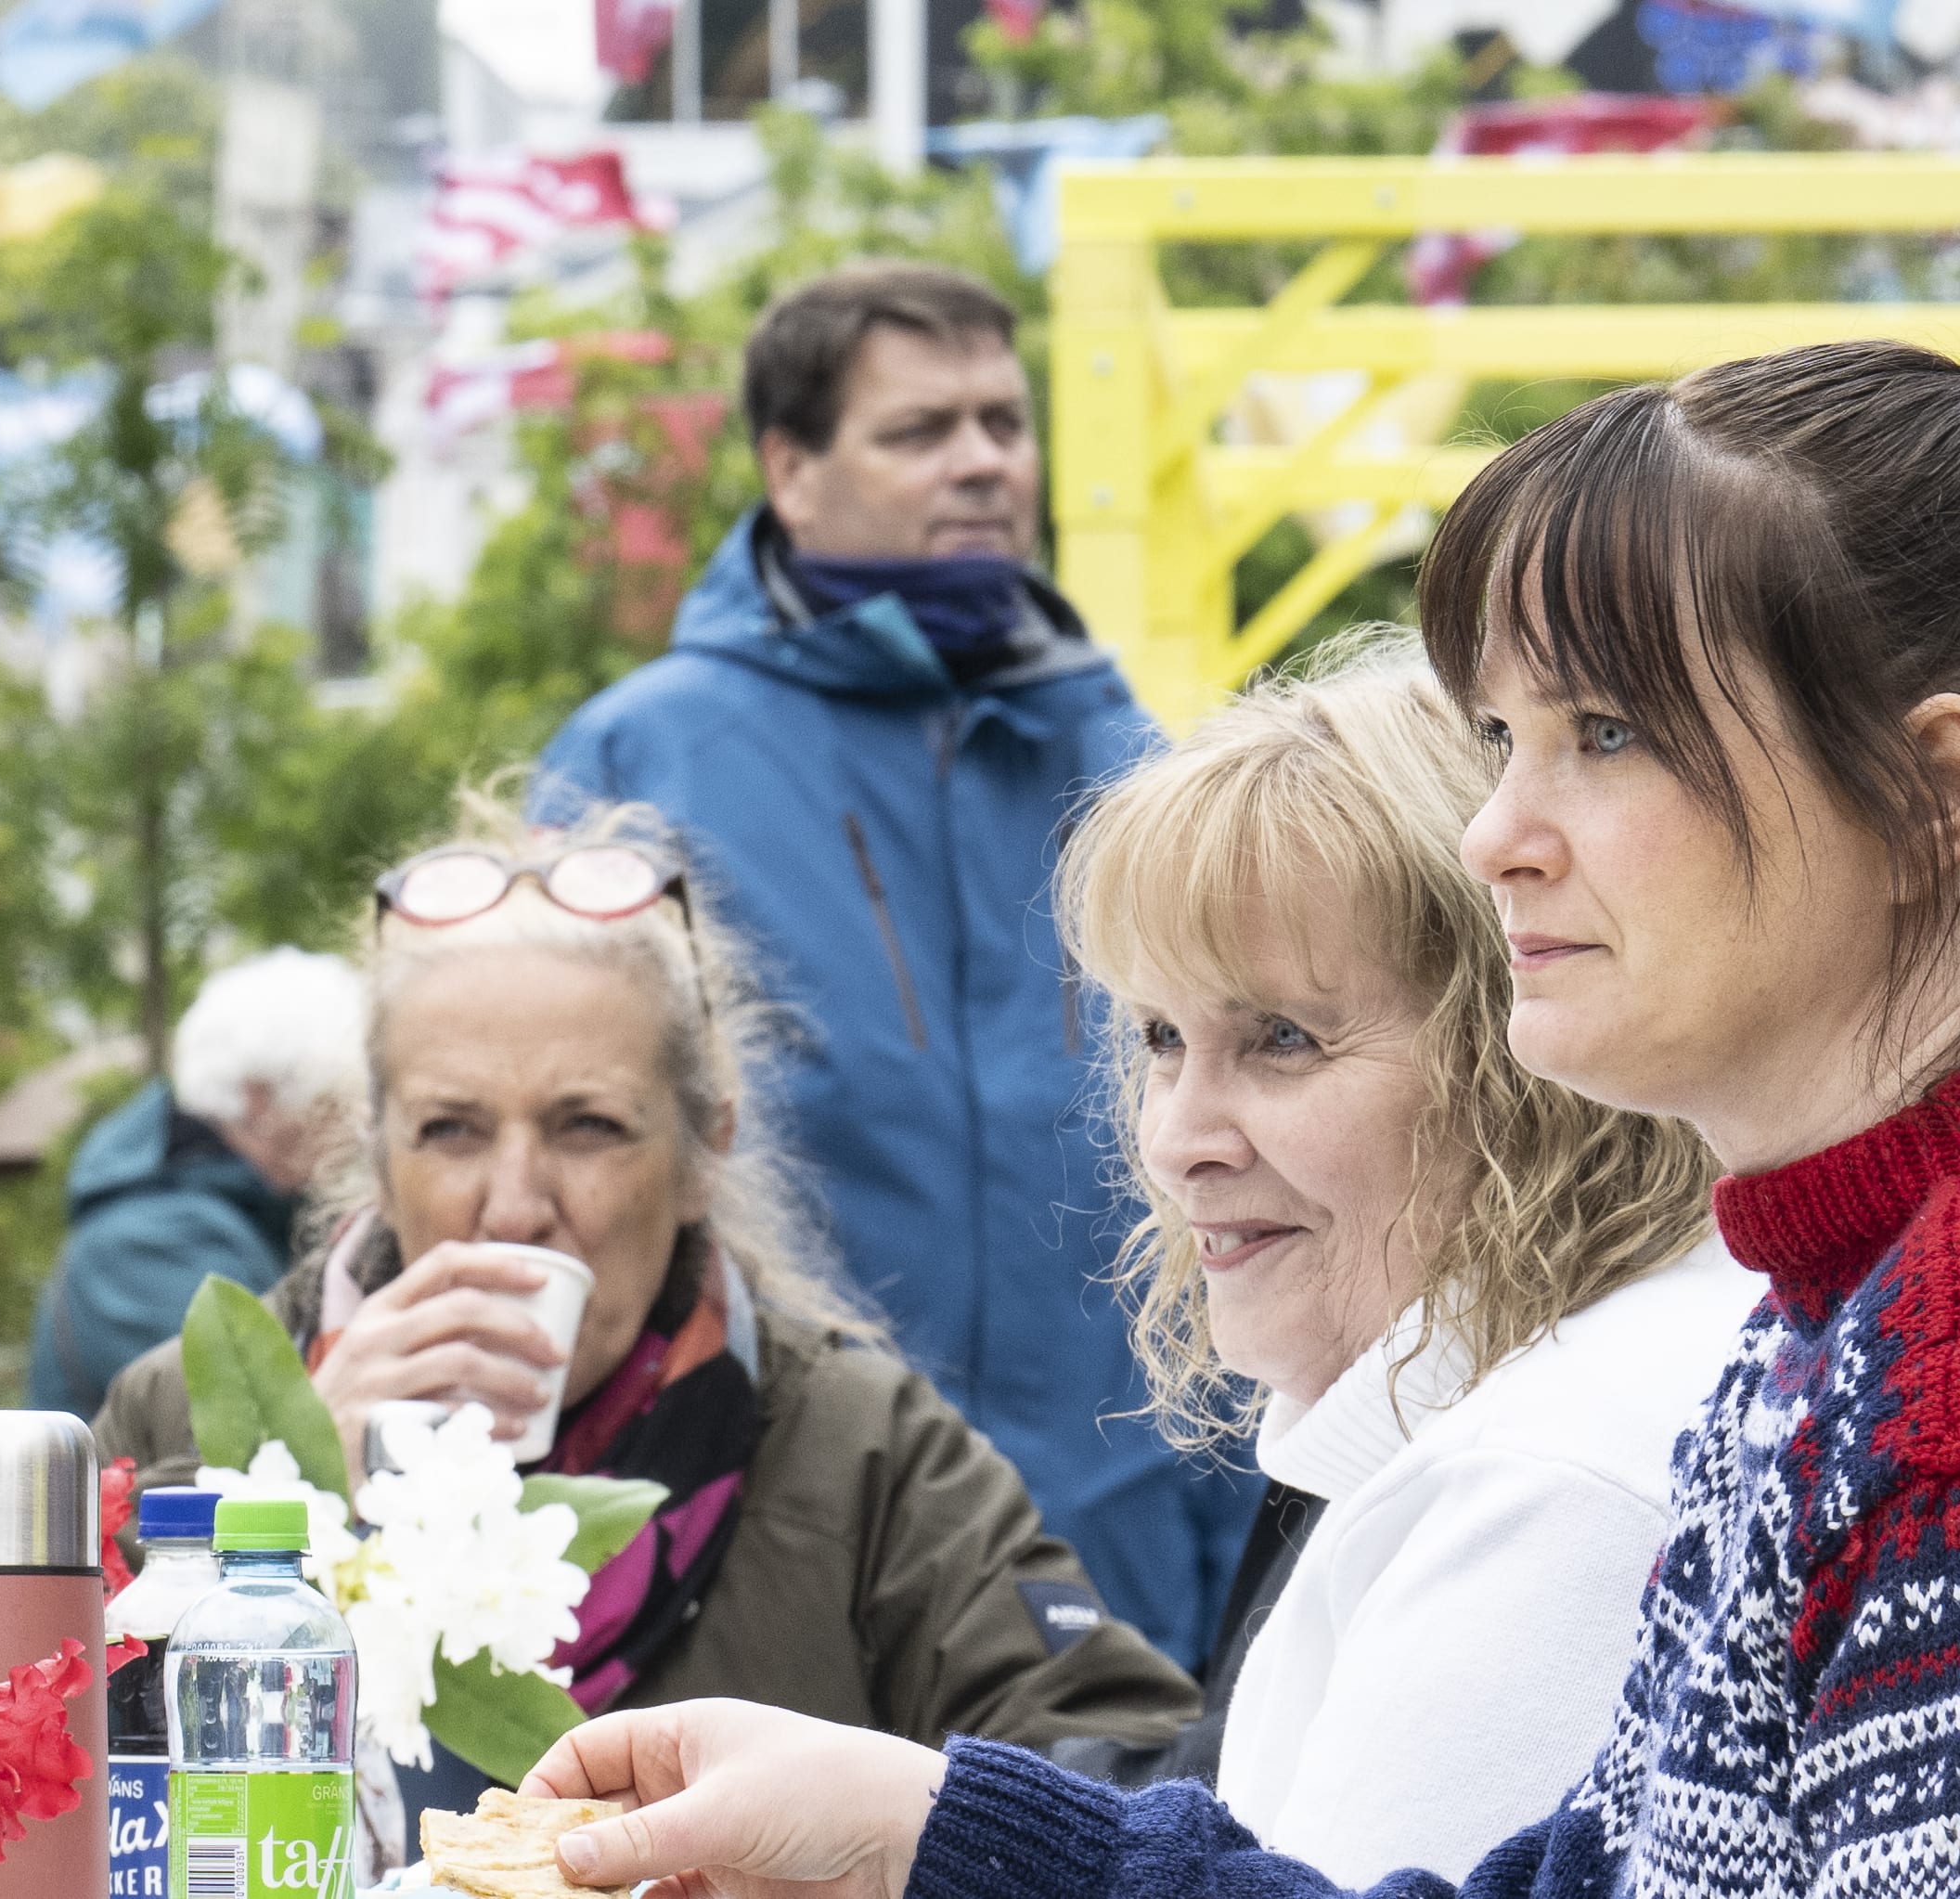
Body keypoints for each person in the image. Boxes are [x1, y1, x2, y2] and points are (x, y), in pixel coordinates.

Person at [519, 340, 1960, 1897]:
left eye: (1604, 731)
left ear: (1923, 800)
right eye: (1497, 740)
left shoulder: (1891, 1399)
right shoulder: (1810, 1350)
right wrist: (920, 1832)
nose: (1496, 837)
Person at [95, 801, 1203, 1771]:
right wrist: (274, 1498)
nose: (517, 1203)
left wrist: (877, 1829)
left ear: (701, 1150)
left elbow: (1112, 1769)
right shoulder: (177, 1416)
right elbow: (25, 1783)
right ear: (376, 1155)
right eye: (451, 1130)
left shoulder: (857, 1453)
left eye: (589, 1127)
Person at [535, 263, 1253, 1662]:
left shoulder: (1137, 763)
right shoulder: (640, 767)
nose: (984, 461)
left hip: (1116, 1565)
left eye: (1004, 420)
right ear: (790, 472)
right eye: (922, 430)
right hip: (770, 1554)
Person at [1039, 644, 1747, 1877]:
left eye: (1281, 1038)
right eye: (1160, 1037)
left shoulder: (1555, 1472)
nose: (1175, 1140)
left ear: (1518, 1051)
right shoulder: (1471, 1403)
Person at [30, 949, 366, 1419]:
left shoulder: (233, 1217)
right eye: (337, 1103)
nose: (356, 1130)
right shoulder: (149, 1242)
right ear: (260, 1100)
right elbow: (243, 1430)